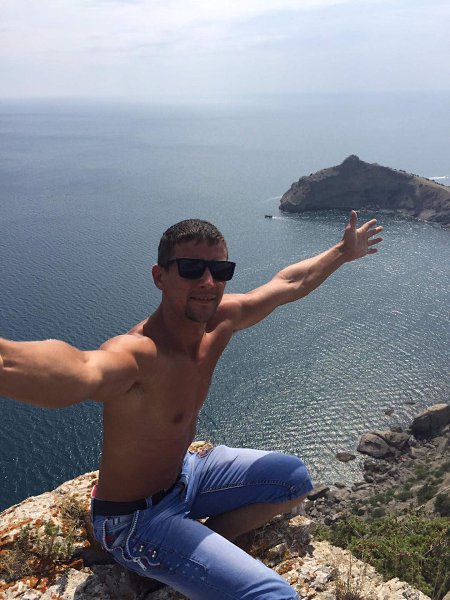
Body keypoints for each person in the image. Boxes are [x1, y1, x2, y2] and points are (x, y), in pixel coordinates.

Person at [0, 211, 383, 599]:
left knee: (294, 479)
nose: (208, 282)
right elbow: (82, 370)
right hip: (135, 519)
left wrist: (342, 252)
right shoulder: (139, 355)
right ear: (160, 277)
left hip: (186, 474)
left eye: (219, 270)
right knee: (275, 595)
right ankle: (173, 555)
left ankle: (192, 552)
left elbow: (288, 283)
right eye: (191, 269)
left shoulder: (221, 321)